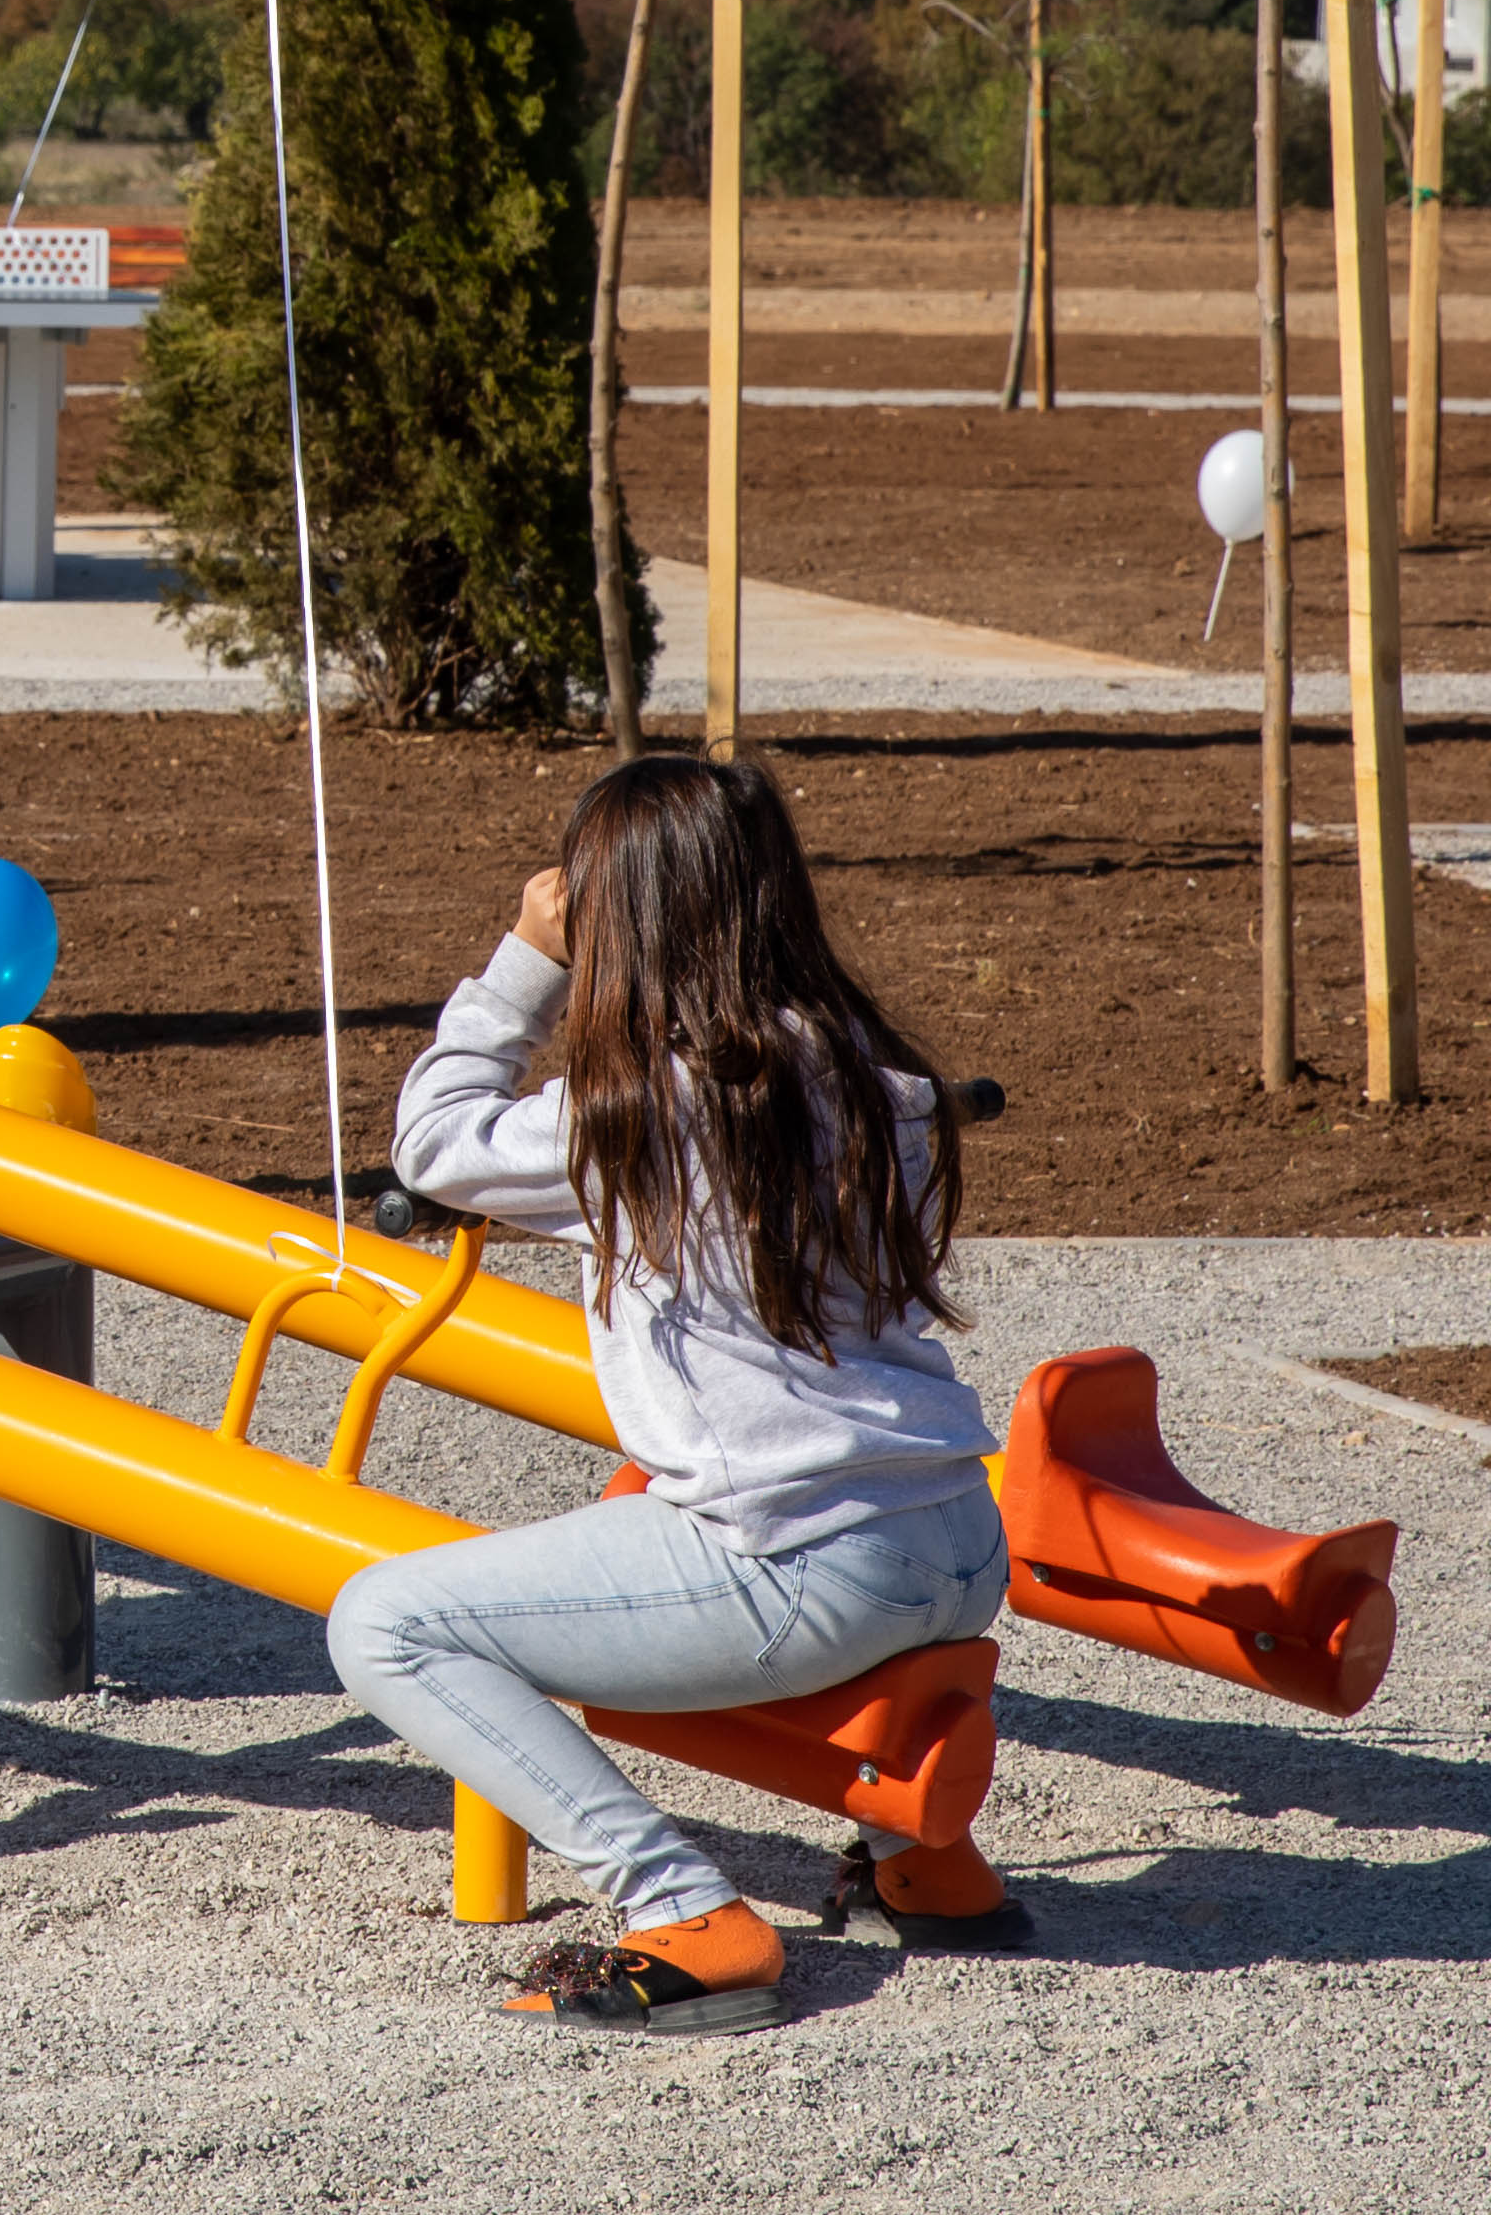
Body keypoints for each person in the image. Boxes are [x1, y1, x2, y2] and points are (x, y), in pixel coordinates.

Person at [322, 754, 1009, 2038]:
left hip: (808, 1560)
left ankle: (679, 1903)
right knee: (641, 1510)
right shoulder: (877, 1076)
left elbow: (434, 1136)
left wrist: (525, 958)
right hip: (961, 1541)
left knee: (386, 1622)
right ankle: (932, 1863)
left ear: (616, 926)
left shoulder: (641, 1114)